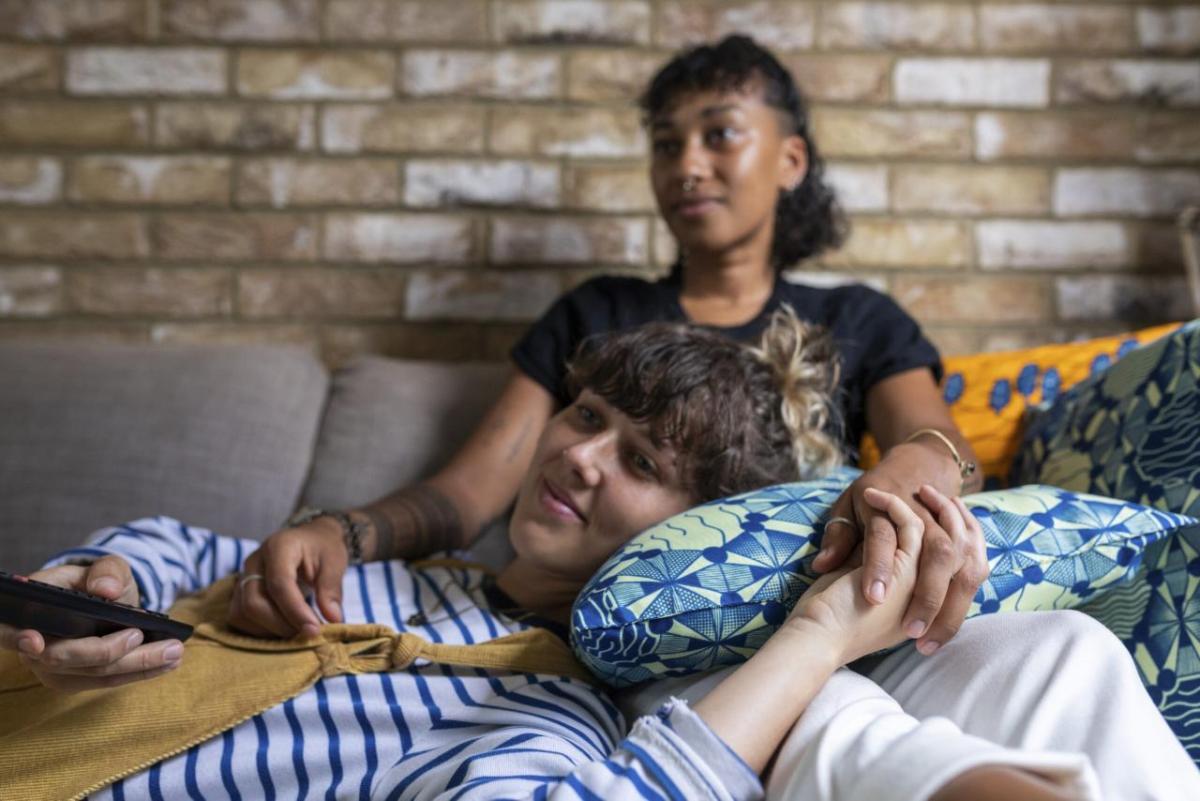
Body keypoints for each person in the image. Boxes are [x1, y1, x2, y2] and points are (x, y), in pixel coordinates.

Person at [4, 316, 1193, 801]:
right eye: (584, 421)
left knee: (1058, 658)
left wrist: (827, 627)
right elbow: (162, 546)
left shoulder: (547, 706)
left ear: (686, 532)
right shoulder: (323, 573)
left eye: (642, 462)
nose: (580, 460)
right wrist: (83, 592)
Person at [224, 35, 987, 660]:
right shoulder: (600, 311)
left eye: (719, 134)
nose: (686, 164)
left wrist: (916, 471)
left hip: (788, 636)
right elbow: (465, 497)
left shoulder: (858, 320)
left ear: (790, 159)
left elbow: (946, 449)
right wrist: (340, 530)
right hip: (591, 639)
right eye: (665, 144)